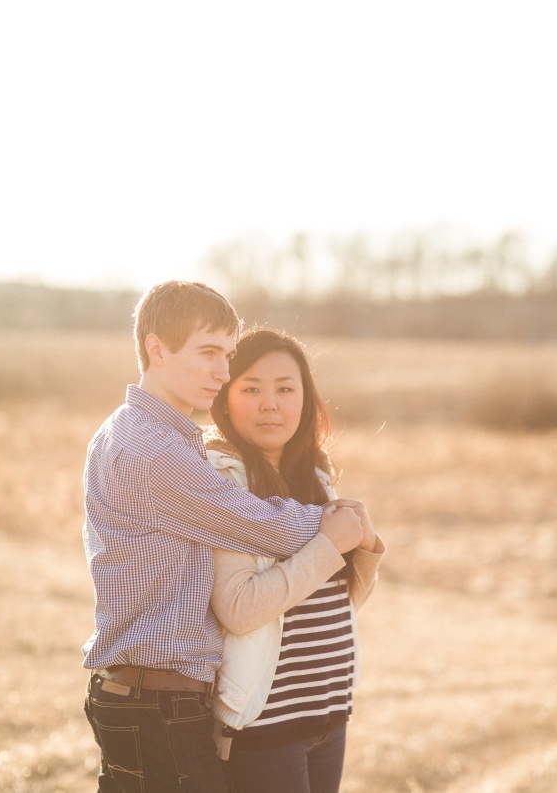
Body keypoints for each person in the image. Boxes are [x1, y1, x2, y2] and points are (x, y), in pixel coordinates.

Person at [81, 280, 365, 793]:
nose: (223, 371)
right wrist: (335, 529)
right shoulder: (153, 451)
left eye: (227, 354)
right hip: (157, 701)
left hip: (154, 696)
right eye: (209, 353)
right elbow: (261, 527)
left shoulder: (141, 434)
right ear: (156, 348)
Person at [205, 327, 386, 793]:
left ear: (306, 398)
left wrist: (365, 546)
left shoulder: (316, 475)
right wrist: (328, 546)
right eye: (251, 388)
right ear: (224, 399)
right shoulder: (221, 482)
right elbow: (240, 609)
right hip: (265, 724)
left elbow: (334, 604)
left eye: (285, 388)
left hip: (329, 710)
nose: (271, 403)